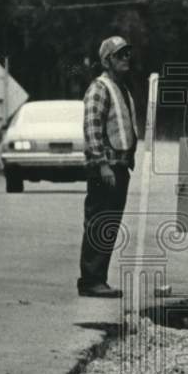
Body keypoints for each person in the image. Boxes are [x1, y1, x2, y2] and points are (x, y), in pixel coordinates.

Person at [78, 36, 138, 298]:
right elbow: (92, 129)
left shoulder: (120, 88)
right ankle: (90, 280)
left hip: (119, 168)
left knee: (109, 224)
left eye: (127, 53)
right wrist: (103, 165)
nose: (126, 58)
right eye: (119, 54)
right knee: (99, 223)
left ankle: (97, 278)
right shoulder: (100, 88)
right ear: (106, 61)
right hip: (106, 169)